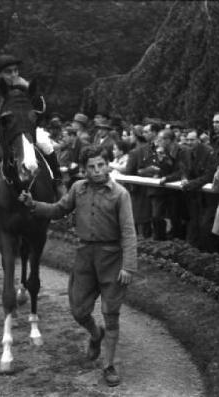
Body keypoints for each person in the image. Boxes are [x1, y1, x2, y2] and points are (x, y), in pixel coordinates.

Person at [18, 145, 137, 387]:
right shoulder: (77, 189)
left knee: (111, 314)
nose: (97, 171)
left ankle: (110, 365)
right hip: (85, 257)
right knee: (79, 310)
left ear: (108, 165)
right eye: (91, 167)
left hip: (112, 259)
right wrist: (33, 205)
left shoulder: (120, 195)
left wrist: (129, 266)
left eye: (101, 165)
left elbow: (129, 233)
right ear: (84, 169)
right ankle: (95, 334)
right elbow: (58, 210)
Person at [0, 54, 65, 202]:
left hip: (30, 129)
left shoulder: (27, 88)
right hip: (8, 132)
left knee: (45, 143)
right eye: (8, 72)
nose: (14, 74)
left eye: (15, 70)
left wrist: (27, 87)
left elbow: (42, 108)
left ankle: (58, 180)